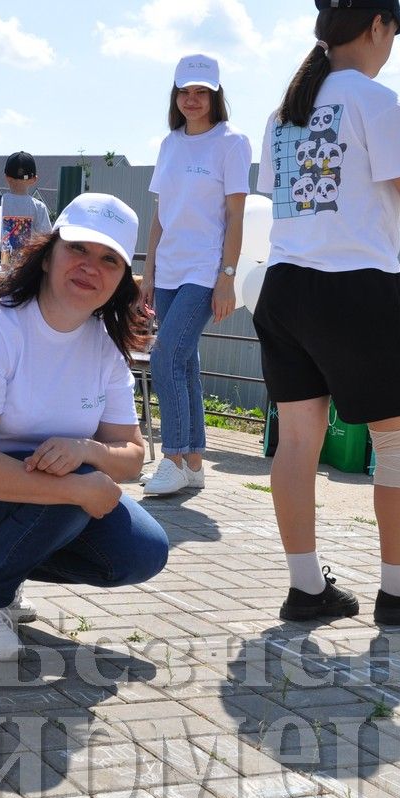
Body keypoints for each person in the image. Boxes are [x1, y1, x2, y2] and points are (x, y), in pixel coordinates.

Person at [253, 0, 400, 625]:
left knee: (297, 441)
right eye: (393, 34)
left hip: (284, 285)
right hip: (354, 288)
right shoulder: (378, 102)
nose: (392, 46)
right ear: (378, 26)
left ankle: (307, 588)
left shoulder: (283, 113)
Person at [0, 192, 171, 660]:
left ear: (121, 279)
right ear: (49, 252)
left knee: (141, 550)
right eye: (78, 249)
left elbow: (131, 456)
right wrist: (79, 484)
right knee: (72, 490)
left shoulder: (105, 346)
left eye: (109, 259)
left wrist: (85, 450)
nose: (90, 266)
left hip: (17, 492)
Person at [139, 53, 251, 498]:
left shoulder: (231, 142)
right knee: (184, 361)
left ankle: (173, 457)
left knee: (166, 355)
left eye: (201, 91)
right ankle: (196, 463)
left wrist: (228, 276)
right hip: (169, 267)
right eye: (185, 91)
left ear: (216, 94)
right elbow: (160, 215)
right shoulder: (170, 143)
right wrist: (147, 270)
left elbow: (237, 215)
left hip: (206, 269)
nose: (192, 99)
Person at [0, 152, 53, 272]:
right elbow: (45, 241)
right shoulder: (39, 207)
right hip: (27, 270)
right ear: (34, 179)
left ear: (7, 177)